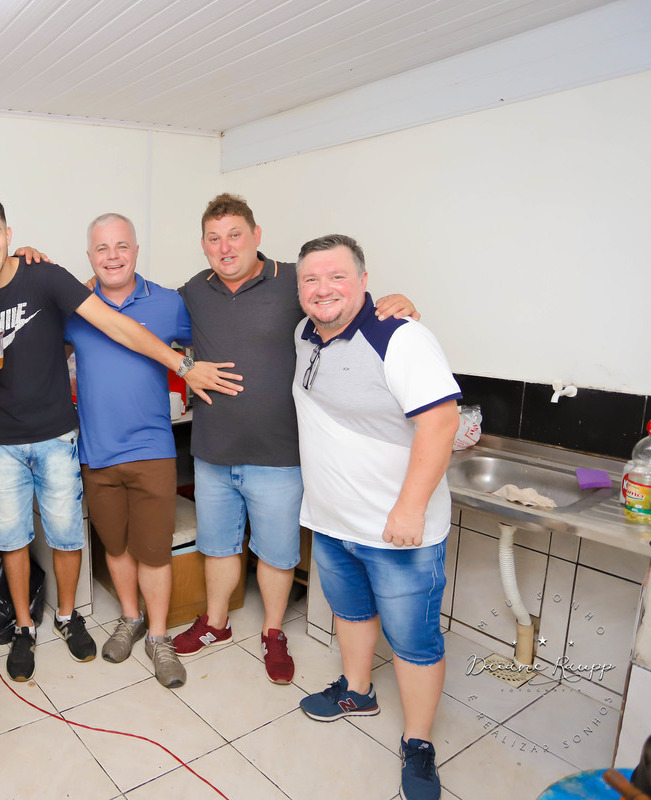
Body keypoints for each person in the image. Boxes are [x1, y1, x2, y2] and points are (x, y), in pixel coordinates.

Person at [0, 193, 242, 682]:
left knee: (84, 537)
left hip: (84, 439)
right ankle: (36, 627)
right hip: (32, 443)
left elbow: (120, 325)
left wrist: (185, 365)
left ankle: (95, 622)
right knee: (35, 541)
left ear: (9, 234)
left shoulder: (51, 278)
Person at [173, 193, 416, 686]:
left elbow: (345, 308)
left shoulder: (294, 282)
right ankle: (216, 623)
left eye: (235, 235)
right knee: (218, 547)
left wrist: (397, 302)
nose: (225, 247)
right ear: (203, 245)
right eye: (214, 239)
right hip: (213, 451)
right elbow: (134, 307)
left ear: (256, 235)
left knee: (277, 553)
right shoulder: (194, 290)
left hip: (280, 454)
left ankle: (272, 631)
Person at [291, 234, 459, 800]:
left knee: (413, 640)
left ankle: (419, 742)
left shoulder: (400, 336)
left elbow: (441, 422)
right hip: (333, 520)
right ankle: (357, 691)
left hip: (398, 530)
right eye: (310, 279)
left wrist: (410, 508)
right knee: (352, 613)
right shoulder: (304, 334)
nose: (323, 289)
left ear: (364, 281)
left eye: (337, 276)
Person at [64, 213, 191, 688]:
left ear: (136, 250)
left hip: (152, 448)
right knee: (115, 545)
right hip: (96, 452)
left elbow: (208, 341)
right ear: (90, 256)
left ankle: (159, 637)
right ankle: (131, 618)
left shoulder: (169, 302)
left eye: (121, 246)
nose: (112, 256)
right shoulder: (76, 308)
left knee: (154, 551)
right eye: (102, 248)